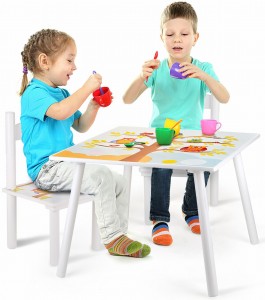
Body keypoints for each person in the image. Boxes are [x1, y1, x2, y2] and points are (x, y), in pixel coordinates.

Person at [20, 28, 150, 257]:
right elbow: (60, 113)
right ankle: (112, 238)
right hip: (46, 169)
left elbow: (80, 125)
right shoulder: (34, 93)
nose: (75, 67)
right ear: (44, 61)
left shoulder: (61, 94)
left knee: (118, 181)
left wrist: (93, 105)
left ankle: (120, 234)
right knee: (100, 177)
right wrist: (85, 88)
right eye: (69, 60)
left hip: (66, 164)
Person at [123, 2, 230, 246]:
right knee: (161, 165)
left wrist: (204, 76)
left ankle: (191, 210)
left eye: (184, 34)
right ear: (162, 37)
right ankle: (159, 218)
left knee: (206, 160)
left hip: (193, 137)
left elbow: (224, 97)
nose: (177, 39)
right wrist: (142, 77)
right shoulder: (157, 69)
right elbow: (127, 99)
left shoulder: (203, 68)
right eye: (170, 34)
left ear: (195, 37)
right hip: (162, 136)